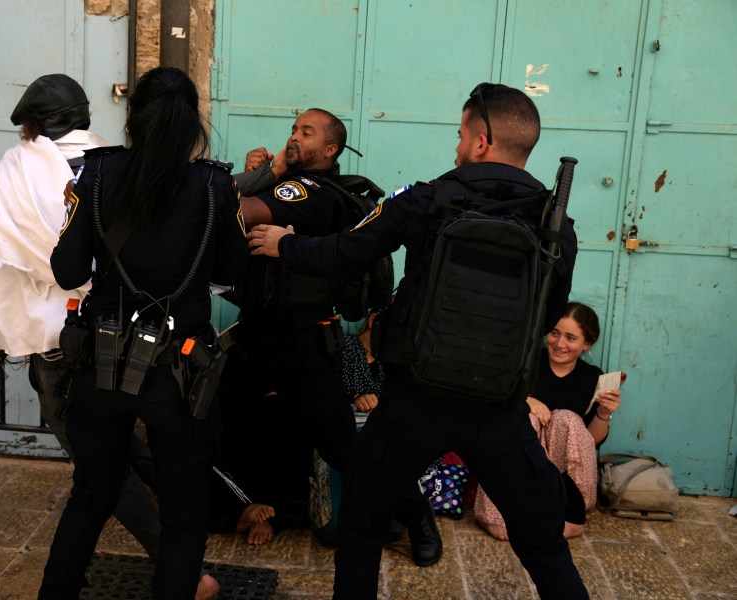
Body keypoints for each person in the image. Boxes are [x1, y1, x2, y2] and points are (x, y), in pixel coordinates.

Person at [247, 83, 587, 598]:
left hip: (414, 402)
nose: (456, 148)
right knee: (543, 545)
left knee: (361, 524)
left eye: (460, 136)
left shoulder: (428, 198)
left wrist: (287, 244)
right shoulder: (555, 226)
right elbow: (543, 318)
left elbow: (348, 253)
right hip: (498, 410)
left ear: (480, 142)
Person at [38, 66, 248, 600]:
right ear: (193, 125)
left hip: (101, 368)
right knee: (183, 512)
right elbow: (232, 270)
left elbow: (67, 273)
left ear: (131, 117)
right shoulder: (214, 186)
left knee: (91, 495)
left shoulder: (98, 174)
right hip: (178, 376)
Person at [0, 73, 174, 580]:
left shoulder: (20, 165)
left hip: (58, 339)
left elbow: (25, 243)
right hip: (118, 328)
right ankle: (206, 515)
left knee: (96, 463)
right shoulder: (115, 160)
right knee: (123, 439)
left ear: (35, 125)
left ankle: (177, 563)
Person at [219, 109, 441, 566]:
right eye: (294, 130)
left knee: (343, 448)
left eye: (307, 133)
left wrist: (265, 174)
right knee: (214, 422)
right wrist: (262, 175)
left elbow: (231, 213)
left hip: (304, 345)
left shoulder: (307, 190)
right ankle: (238, 508)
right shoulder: (293, 186)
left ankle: (416, 515)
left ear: (331, 150)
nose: (294, 138)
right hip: (258, 336)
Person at [475, 302, 622, 540]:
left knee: (567, 419)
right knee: (525, 417)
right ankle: (500, 516)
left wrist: (604, 414)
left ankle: (565, 512)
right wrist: (527, 401)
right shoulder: (526, 364)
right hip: (518, 467)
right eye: (555, 333)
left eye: (571, 338)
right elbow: (492, 407)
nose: (559, 343)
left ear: (587, 344)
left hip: (561, 477)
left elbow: (589, 440)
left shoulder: (592, 378)